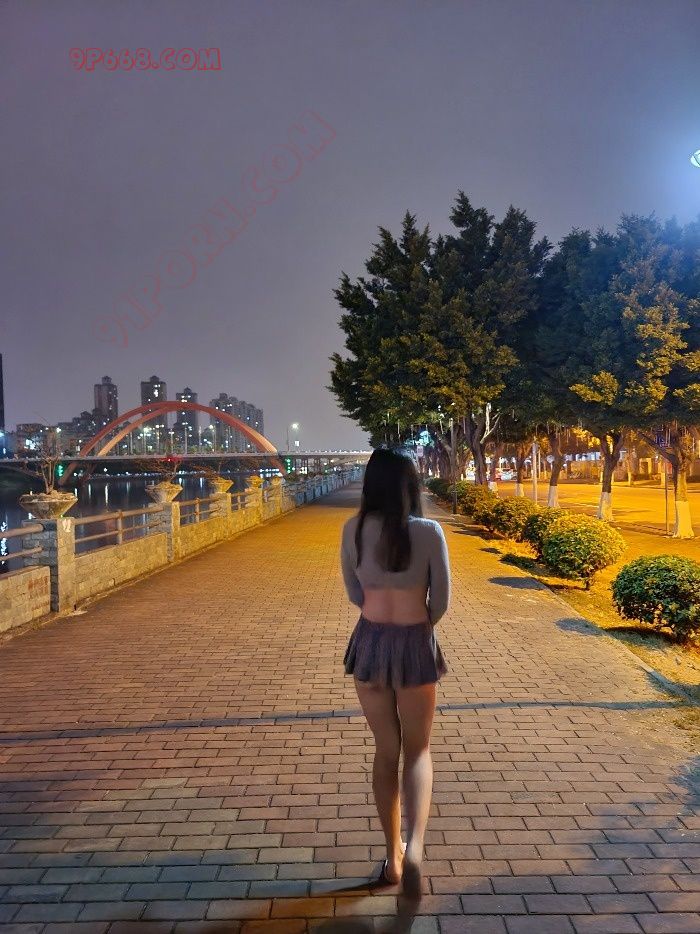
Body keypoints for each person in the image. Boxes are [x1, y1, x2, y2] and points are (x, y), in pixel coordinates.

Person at [340, 447, 451, 900]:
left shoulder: (352, 529)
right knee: (419, 749)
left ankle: (393, 856)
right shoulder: (428, 532)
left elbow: (354, 593)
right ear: (410, 485)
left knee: (386, 751)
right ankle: (417, 847)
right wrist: (419, 623)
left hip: (369, 645)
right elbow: (440, 601)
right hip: (414, 645)